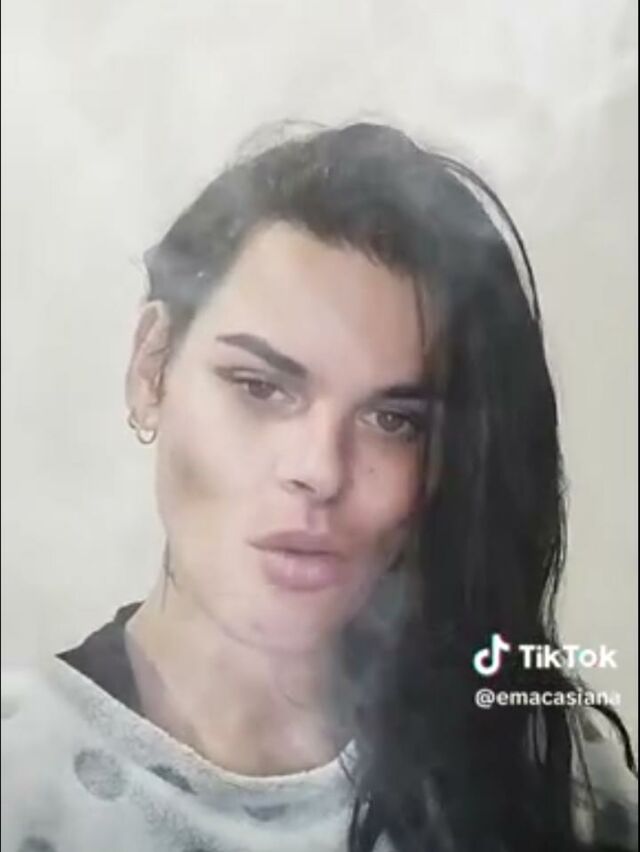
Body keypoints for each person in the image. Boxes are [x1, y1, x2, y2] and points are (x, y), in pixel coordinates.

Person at [1, 122, 637, 852]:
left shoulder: (549, 773)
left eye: (392, 420)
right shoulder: (20, 776)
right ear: (152, 369)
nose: (321, 469)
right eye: (260, 387)